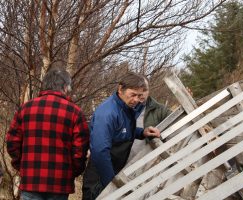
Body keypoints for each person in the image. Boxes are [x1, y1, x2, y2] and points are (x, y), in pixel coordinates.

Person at [6, 68, 90, 200]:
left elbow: (12, 143)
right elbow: (80, 151)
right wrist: (72, 172)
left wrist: (22, 165)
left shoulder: (25, 109)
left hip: (31, 180)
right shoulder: (75, 112)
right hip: (59, 183)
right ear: (65, 87)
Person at [82, 72, 161, 199]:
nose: (136, 99)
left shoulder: (126, 108)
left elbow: (121, 132)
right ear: (120, 89)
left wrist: (142, 132)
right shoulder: (108, 113)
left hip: (113, 171)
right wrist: (111, 184)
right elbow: (100, 151)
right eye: (133, 94)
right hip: (100, 178)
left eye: (139, 96)